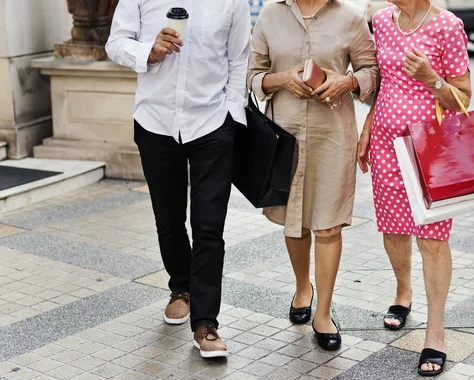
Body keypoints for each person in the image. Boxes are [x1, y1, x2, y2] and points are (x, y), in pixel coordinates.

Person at [106, 0, 251, 358]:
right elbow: (116, 42)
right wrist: (149, 51)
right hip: (155, 120)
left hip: (213, 122)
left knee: (208, 226)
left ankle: (206, 323)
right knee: (168, 220)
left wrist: (232, 115)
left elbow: (238, 58)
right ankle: (181, 288)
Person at [247, 0, 378, 351]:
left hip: (333, 133)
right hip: (283, 134)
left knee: (328, 224)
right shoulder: (270, 15)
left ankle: (323, 312)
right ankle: (303, 287)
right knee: (296, 219)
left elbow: (373, 72)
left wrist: (347, 81)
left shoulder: (350, 17)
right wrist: (281, 79)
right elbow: (251, 74)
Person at [358, 0, 472, 376]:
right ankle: (402, 293)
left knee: (432, 239)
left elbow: (463, 99)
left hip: (432, 148)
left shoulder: (447, 26)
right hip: (386, 143)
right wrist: (367, 128)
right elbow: (385, 84)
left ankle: (435, 333)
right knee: (392, 230)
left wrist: (430, 77)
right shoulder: (381, 20)